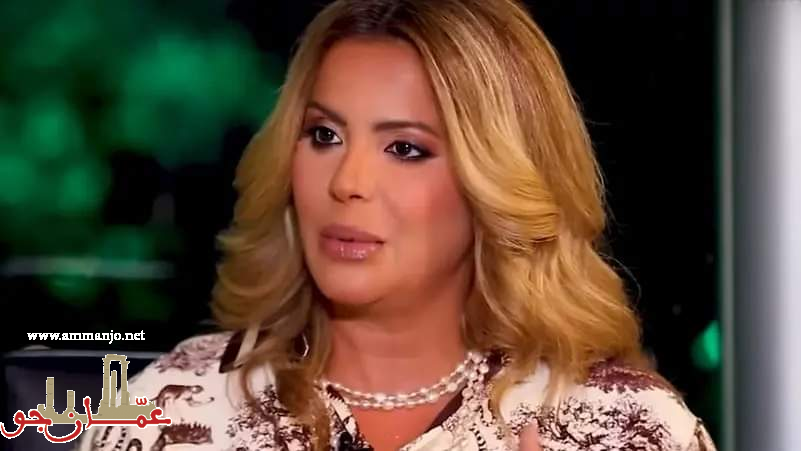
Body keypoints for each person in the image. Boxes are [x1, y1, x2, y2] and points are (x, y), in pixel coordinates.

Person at [74, 0, 718, 450]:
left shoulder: (626, 426)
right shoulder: (168, 409)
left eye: (405, 148)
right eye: (324, 136)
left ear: (496, 179)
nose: (347, 181)